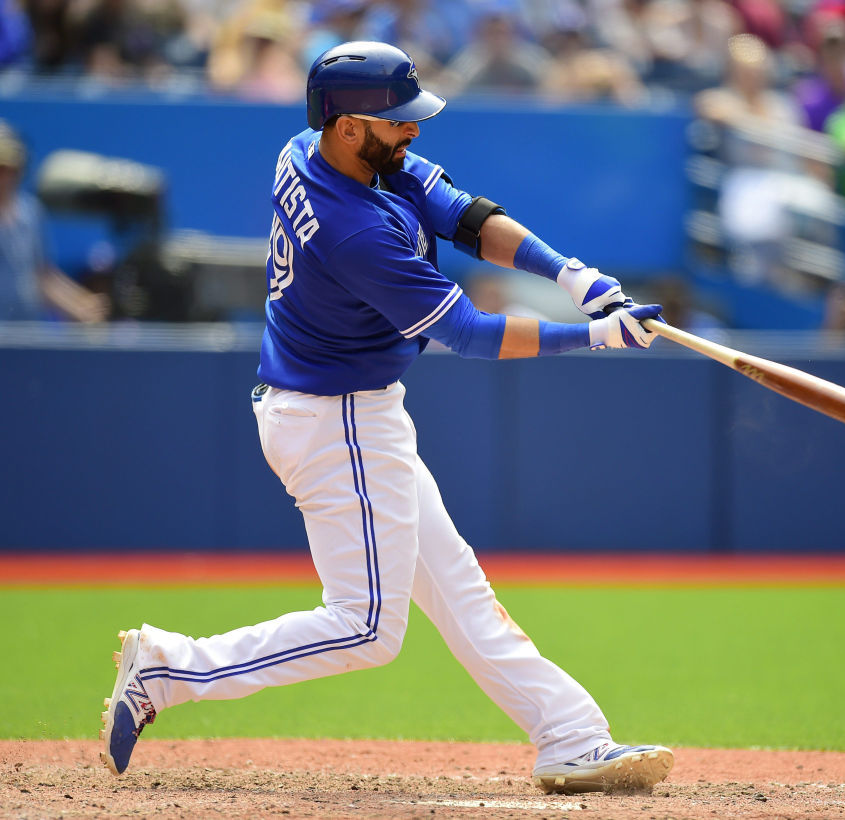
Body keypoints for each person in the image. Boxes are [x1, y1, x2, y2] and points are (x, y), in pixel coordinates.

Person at [99, 41, 674, 796]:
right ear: (347, 127)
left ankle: (570, 736)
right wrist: (597, 334)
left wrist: (571, 274)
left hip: (351, 410)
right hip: (332, 420)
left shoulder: (322, 150)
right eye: (396, 121)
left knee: (457, 586)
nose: (412, 132)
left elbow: (464, 216)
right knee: (368, 627)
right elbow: (467, 331)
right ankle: (168, 670)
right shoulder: (352, 228)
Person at [0, 121, 109, 323]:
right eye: (0, 169)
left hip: (25, 333)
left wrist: (82, 305)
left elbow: (42, 277)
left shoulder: (30, 213)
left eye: (9, 168)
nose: (4, 177)